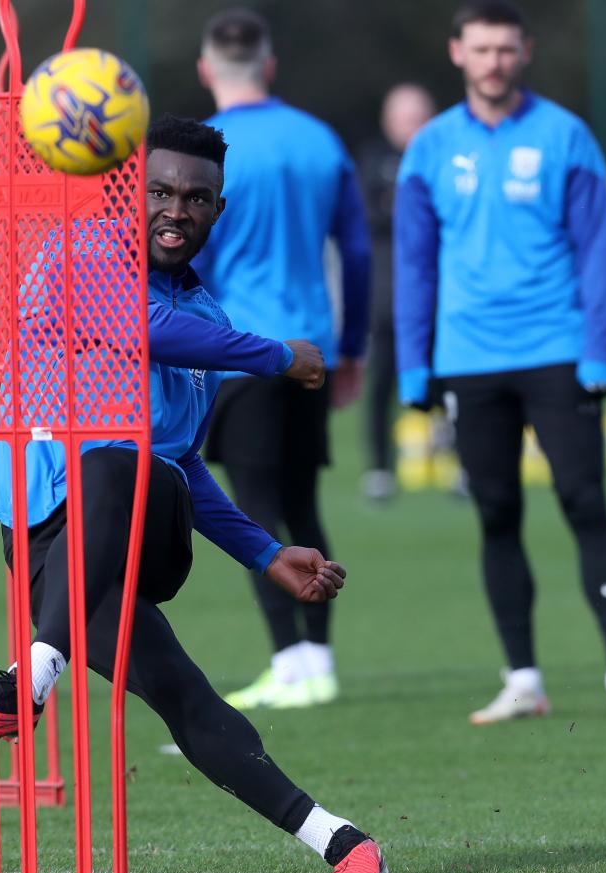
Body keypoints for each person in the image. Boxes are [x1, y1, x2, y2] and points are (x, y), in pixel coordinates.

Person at [0, 116, 387, 873]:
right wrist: (280, 356)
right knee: (180, 690)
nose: (177, 210)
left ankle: (26, 683)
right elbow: (141, 327)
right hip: (45, 544)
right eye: (161, 191)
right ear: (129, 195)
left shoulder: (208, 319)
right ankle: (342, 842)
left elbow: (184, 465)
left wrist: (263, 551)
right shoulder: (78, 255)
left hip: (143, 525)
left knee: (118, 456)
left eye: (197, 198)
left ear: (218, 210)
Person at [394, 1, 606, 724]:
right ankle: (523, 680)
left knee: (584, 502)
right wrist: (414, 364)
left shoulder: (566, 136)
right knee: (497, 513)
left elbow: (596, 252)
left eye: (506, 49)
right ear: (457, 53)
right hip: (467, 358)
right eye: (481, 49)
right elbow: (414, 264)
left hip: (556, 351)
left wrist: (597, 347)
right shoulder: (430, 148)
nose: (494, 62)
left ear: (526, 52)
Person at [192, 8, 372, 710]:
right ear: (269, 65)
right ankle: (319, 659)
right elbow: (356, 251)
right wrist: (352, 347)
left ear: (207, 69)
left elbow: (189, 252)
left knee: (256, 506)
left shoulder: (206, 149)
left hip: (242, 351)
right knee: (302, 500)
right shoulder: (319, 140)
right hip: (312, 347)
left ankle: (289, 662)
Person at [358, 83, 436, 503]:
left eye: (419, 117)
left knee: (449, 380)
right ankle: (379, 467)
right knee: (382, 383)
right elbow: (372, 214)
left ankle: (455, 461)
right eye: (405, 118)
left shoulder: (442, 156)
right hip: (387, 296)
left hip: (440, 296)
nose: (412, 127)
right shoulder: (374, 161)